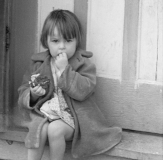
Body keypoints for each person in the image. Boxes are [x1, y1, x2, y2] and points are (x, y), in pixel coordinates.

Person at [18, 9, 122, 160]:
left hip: (72, 118)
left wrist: (65, 70)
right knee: (38, 129)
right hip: (45, 113)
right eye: (55, 41)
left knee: (55, 130)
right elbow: (23, 90)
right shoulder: (38, 64)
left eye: (68, 41)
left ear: (77, 41)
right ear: (45, 41)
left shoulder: (83, 64)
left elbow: (84, 90)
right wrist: (33, 95)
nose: (62, 46)